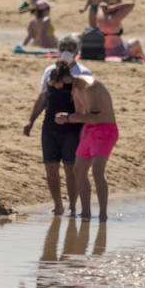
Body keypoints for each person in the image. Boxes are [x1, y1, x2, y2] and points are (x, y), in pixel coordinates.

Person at [24, 39, 89, 215]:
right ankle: (58, 204)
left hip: (73, 129)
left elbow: (87, 105)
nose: (67, 52)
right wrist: (31, 121)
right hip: (50, 127)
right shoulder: (49, 71)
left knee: (70, 169)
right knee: (51, 167)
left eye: (70, 49)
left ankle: (73, 206)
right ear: (58, 50)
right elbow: (42, 98)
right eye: (63, 49)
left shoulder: (83, 73)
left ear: (77, 50)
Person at [55, 68, 116, 221]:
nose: (61, 89)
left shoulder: (91, 87)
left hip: (105, 129)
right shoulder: (75, 90)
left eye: (61, 85)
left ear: (67, 78)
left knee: (97, 171)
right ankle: (86, 212)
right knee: (79, 170)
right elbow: (81, 115)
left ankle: (103, 215)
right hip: (88, 131)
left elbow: (94, 117)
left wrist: (68, 118)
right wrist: (66, 117)